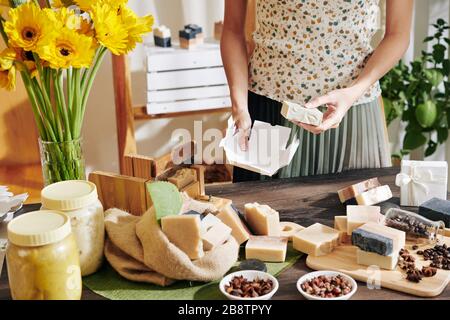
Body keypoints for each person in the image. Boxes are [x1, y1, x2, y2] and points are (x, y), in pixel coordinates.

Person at [220, 0, 413, 182]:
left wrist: (354, 92)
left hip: (352, 111)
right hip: (268, 111)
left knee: (357, 213)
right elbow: (232, 30)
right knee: (259, 214)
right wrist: (240, 107)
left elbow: (398, 34)